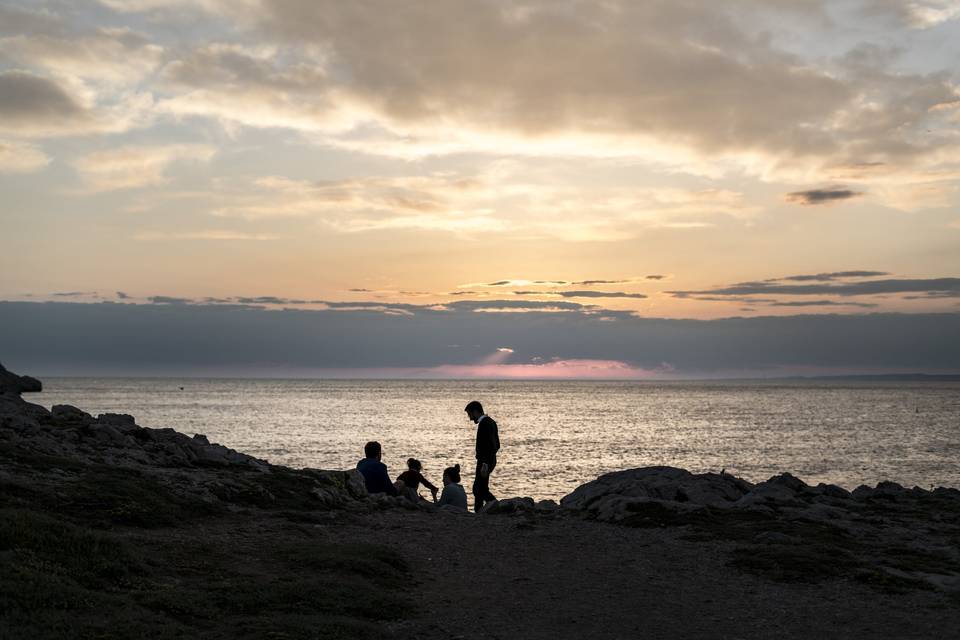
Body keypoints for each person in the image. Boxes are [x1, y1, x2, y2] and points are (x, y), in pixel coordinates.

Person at [465, 400, 499, 512]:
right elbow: (497, 445)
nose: (470, 418)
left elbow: (488, 445)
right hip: (489, 460)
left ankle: (494, 505)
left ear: (475, 412)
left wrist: (484, 463)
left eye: (470, 414)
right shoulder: (491, 422)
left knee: (478, 488)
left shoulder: (484, 424)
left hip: (484, 461)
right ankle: (481, 510)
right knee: (481, 488)